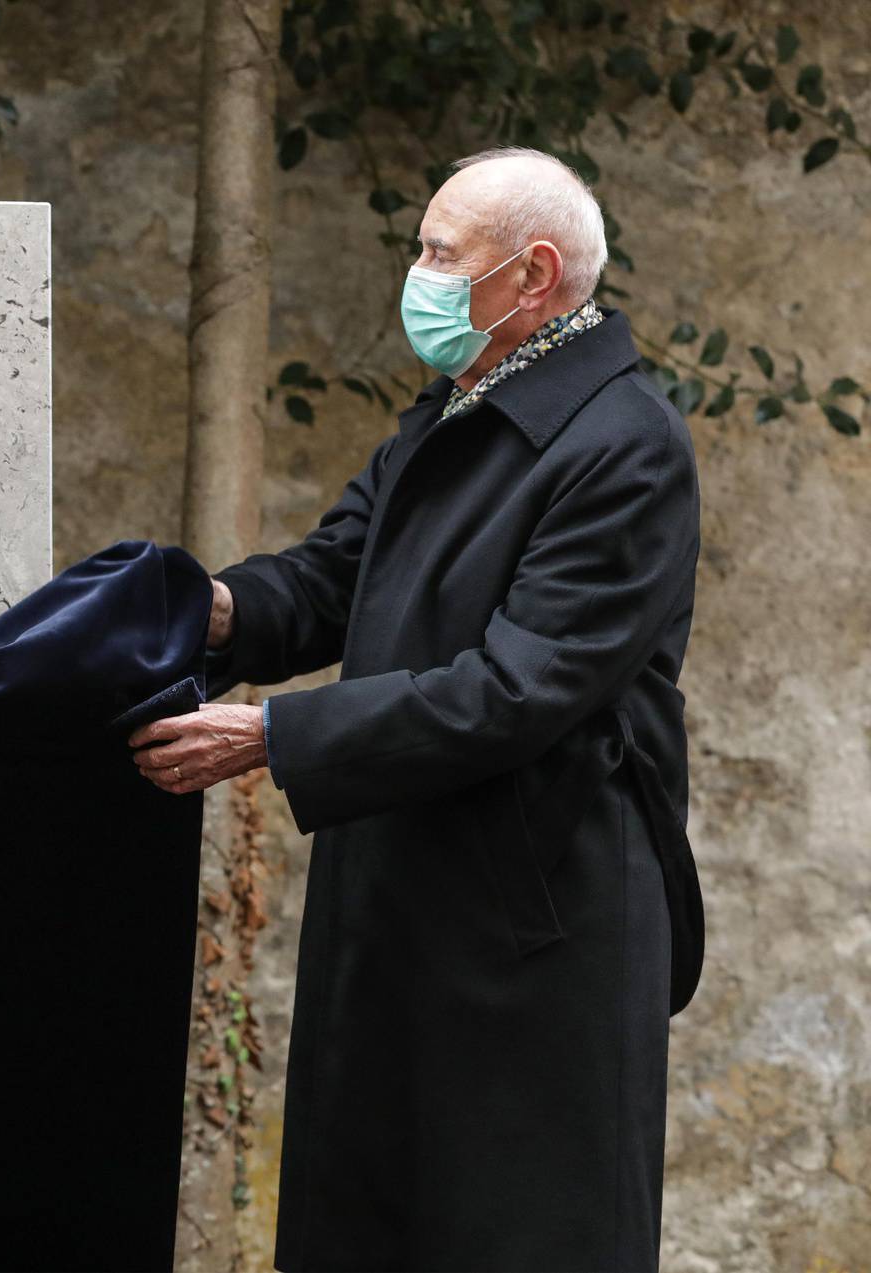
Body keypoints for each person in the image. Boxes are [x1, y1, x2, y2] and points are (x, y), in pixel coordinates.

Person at [130, 148, 703, 1271]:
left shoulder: (624, 446)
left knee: (511, 1230)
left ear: (532, 276)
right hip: (410, 892)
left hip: (535, 926)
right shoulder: (462, 400)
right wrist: (208, 610)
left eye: (440, 253)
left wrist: (273, 735)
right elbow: (342, 572)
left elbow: (518, 687)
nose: (418, 274)